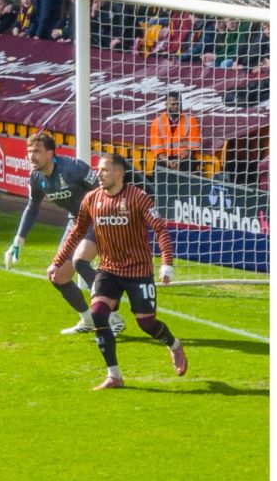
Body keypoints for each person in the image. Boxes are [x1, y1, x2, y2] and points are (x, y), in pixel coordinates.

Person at [48, 153, 186, 390]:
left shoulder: (138, 198)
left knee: (146, 324)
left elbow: (160, 230)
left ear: (119, 173)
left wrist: (167, 263)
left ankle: (174, 345)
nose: (98, 174)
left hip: (138, 270)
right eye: (98, 170)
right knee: (99, 314)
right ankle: (114, 376)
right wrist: (58, 261)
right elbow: (76, 232)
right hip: (108, 270)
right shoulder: (91, 199)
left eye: (104, 170)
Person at [4, 133, 126, 336]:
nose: (31, 156)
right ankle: (88, 320)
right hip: (76, 222)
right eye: (29, 152)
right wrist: (18, 241)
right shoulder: (36, 177)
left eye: (36, 151)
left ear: (50, 153)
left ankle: (112, 317)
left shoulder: (73, 168)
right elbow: (32, 207)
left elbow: (103, 189)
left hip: (99, 218)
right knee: (57, 276)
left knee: (80, 261)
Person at [149, 90, 201, 175]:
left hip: (184, 159)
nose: (177, 106)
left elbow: (193, 147)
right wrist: (168, 162)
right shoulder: (157, 123)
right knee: (158, 170)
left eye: (179, 104)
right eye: (173, 104)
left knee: (189, 164)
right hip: (165, 159)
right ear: (166, 105)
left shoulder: (191, 121)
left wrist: (179, 160)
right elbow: (158, 149)